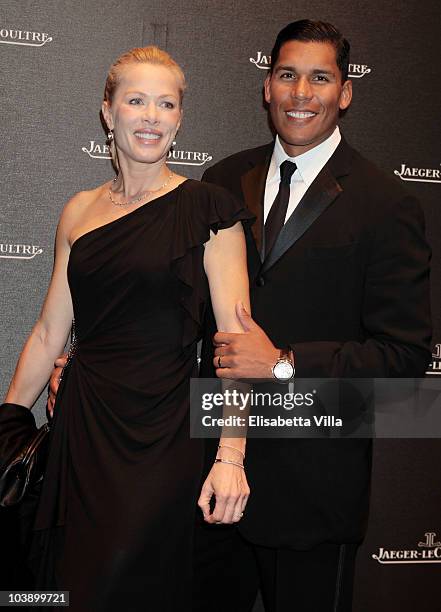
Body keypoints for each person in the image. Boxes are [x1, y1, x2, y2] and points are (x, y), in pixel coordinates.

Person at [2, 46, 254, 611]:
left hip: (165, 432)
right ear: (107, 113)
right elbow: (49, 332)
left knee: (137, 582)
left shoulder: (209, 209)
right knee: (73, 583)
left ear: (180, 119)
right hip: (83, 428)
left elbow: (237, 346)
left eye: (166, 104)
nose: (151, 116)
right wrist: (7, 427)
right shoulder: (78, 211)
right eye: (136, 101)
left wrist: (231, 455)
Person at [194, 20, 432, 612]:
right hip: (209, 476)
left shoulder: (386, 202)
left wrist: (283, 364)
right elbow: (191, 314)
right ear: (267, 87)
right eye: (288, 75)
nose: (301, 93)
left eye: (319, 78)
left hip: (314, 491)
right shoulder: (222, 181)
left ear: (345, 93)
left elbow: (403, 358)